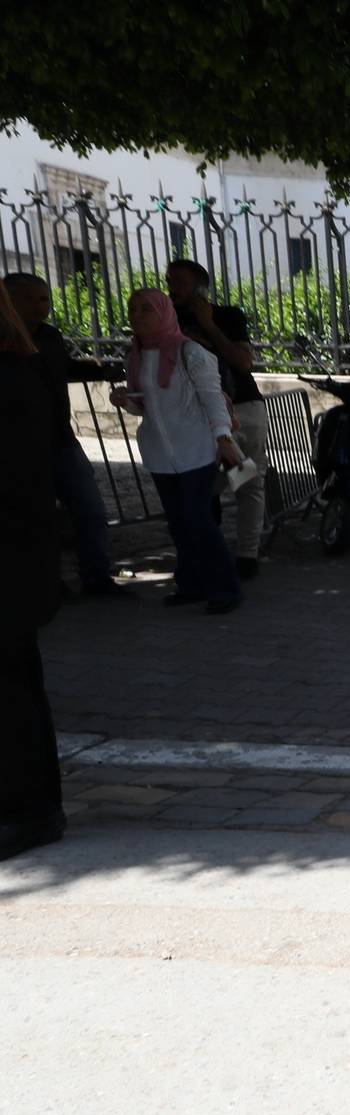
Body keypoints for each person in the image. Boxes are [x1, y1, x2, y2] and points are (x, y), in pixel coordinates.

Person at [109, 289, 244, 614]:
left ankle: (226, 587)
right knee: (179, 522)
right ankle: (191, 583)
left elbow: (212, 397)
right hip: (159, 453)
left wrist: (222, 437)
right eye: (132, 309)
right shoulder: (136, 356)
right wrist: (126, 400)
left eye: (145, 309)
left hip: (196, 448)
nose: (136, 315)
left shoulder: (191, 352)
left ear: (164, 312)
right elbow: (145, 407)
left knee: (198, 519)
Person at [0, 283, 66, 860]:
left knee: (13, 690)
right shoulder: (20, 369)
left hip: (12, 558)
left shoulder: (12, 375)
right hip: (20, 556)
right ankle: (30, 805)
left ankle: (30, 809)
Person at [4, 272, 121, 596]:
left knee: (90, 509)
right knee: (36, 517)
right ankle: (47, 583)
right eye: (31, 299)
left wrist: (98, 370)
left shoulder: (50, 336)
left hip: (59, 439)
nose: (41, 306)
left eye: (44, 298)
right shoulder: (6, 342)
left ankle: (97, 578)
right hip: (19, 446)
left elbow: (62, 367)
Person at [164, 259, 265, 580]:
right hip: (196, 417)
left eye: (179, 281)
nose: (172, 287)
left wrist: (210, 327)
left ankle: (247, 554)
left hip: (240, 412)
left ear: (200, 287)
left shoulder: (227, 316)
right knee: (201, 485)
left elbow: (243, 362)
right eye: (169, 281)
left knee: (246, 480)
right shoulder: (168, 321)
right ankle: (208, 550)